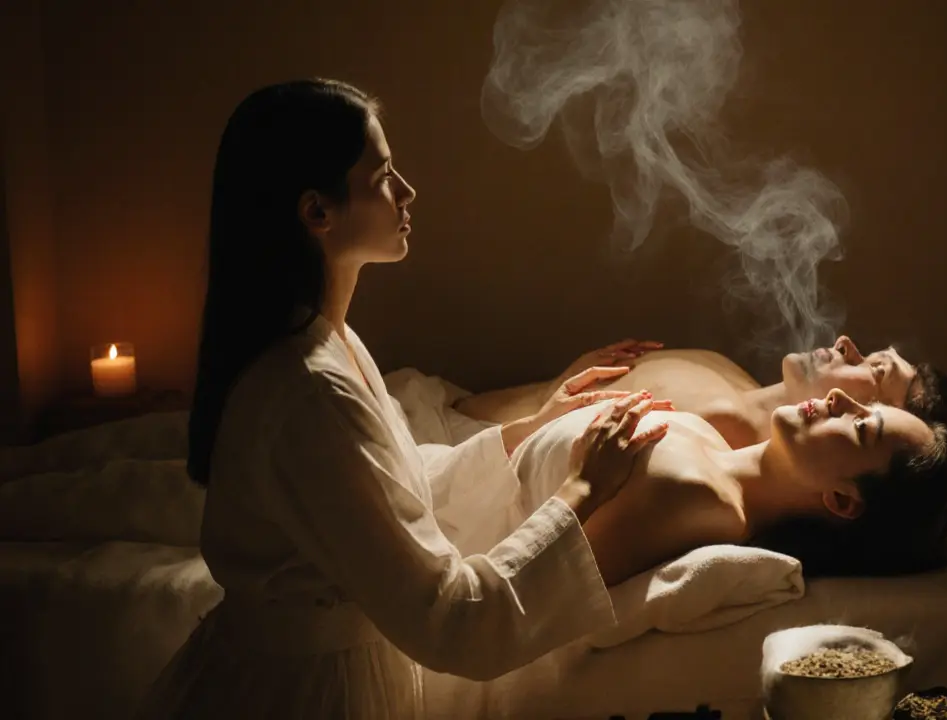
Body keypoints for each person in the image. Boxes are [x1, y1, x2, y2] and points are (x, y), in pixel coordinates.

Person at [135, 79, 674, 719]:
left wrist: (529, 428)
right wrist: (584, 488)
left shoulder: (329, 344)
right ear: (317, 212)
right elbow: (452, 620)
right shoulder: (307, 387)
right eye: (384, 175)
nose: (408, 192)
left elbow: (399, 488)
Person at [464, 387, 947, 587]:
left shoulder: (699, 502)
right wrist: (542, 422)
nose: (843, 397)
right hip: (443, 479)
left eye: (863, 428)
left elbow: (521, 598)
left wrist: (581, 484)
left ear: (842, 500)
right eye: (868, 406)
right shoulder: (713, 446)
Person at [456, 337, 947, 449]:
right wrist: (569, 375)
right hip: (435, 408)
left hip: (459, 451)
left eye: (872, 368)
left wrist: (549, 407)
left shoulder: (725, 428)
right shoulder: (733, 376)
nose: (847, 342)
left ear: (862, 416)